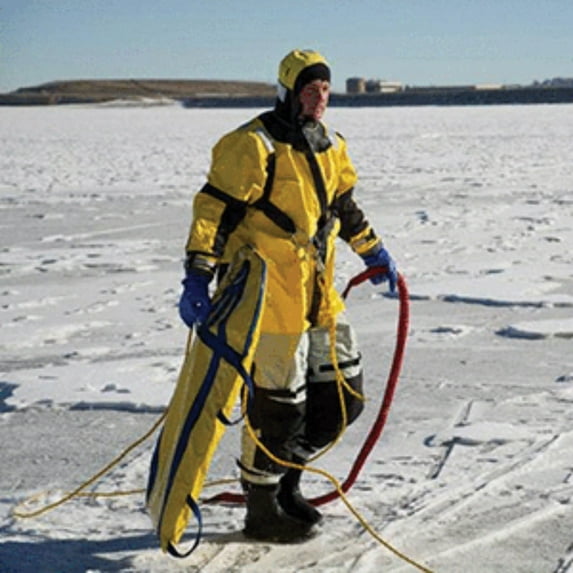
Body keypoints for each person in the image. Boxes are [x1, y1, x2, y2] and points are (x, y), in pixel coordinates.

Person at [179, 49, 398, 542]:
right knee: (280, 410)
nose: (320, 98)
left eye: (325, 89)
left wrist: (373, 250)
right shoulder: (252, 146)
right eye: (309, 89)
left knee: (342, 398)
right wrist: (197, 273)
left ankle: (286, 483)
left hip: (318, 295)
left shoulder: (331, 145)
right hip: (270, 300)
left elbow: (343, 206)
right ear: (288, 92)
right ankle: (263, 509)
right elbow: (214, 213)